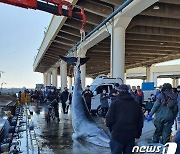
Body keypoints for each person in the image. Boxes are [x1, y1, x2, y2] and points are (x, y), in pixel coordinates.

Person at [106, 84, 143, 154]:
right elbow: (140, 122)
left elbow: (109, 120)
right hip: (131, 137)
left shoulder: (115, 104)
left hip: (117, 136)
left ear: (118, 92)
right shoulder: (136, 104)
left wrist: (112, 130)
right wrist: (138, 135)